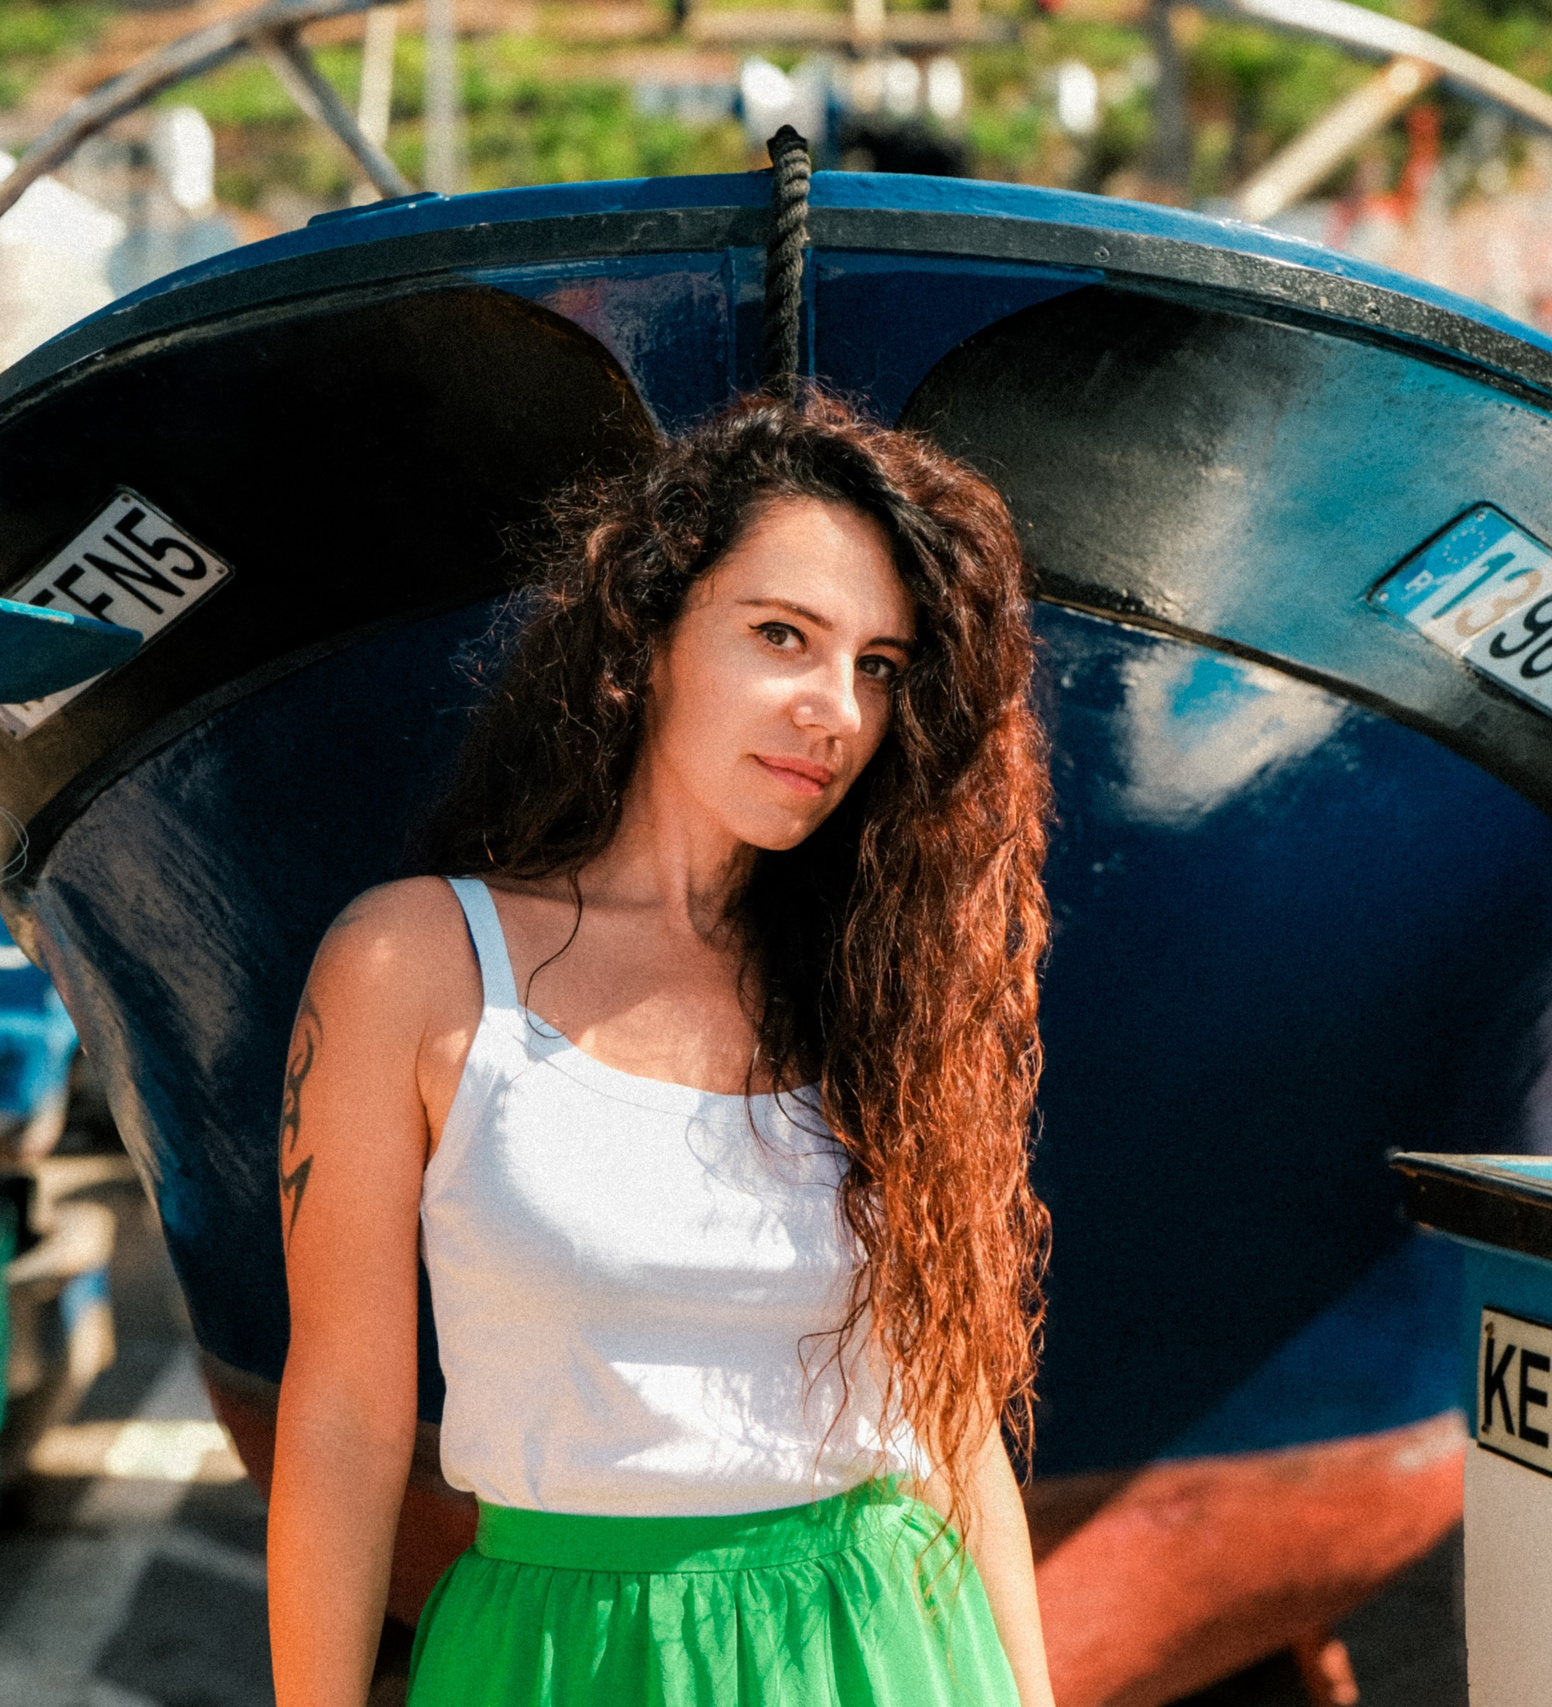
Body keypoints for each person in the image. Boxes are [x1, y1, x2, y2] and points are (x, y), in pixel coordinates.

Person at [267, 392, 1058, 1707]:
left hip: (885, 1650)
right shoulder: (414, 964)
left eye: (878, 664)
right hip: (559, 1659)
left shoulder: (886, 987)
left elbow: (956, 1424)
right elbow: (344, 1417)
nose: (835, 709)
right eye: (782, 635)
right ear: (646, 634)